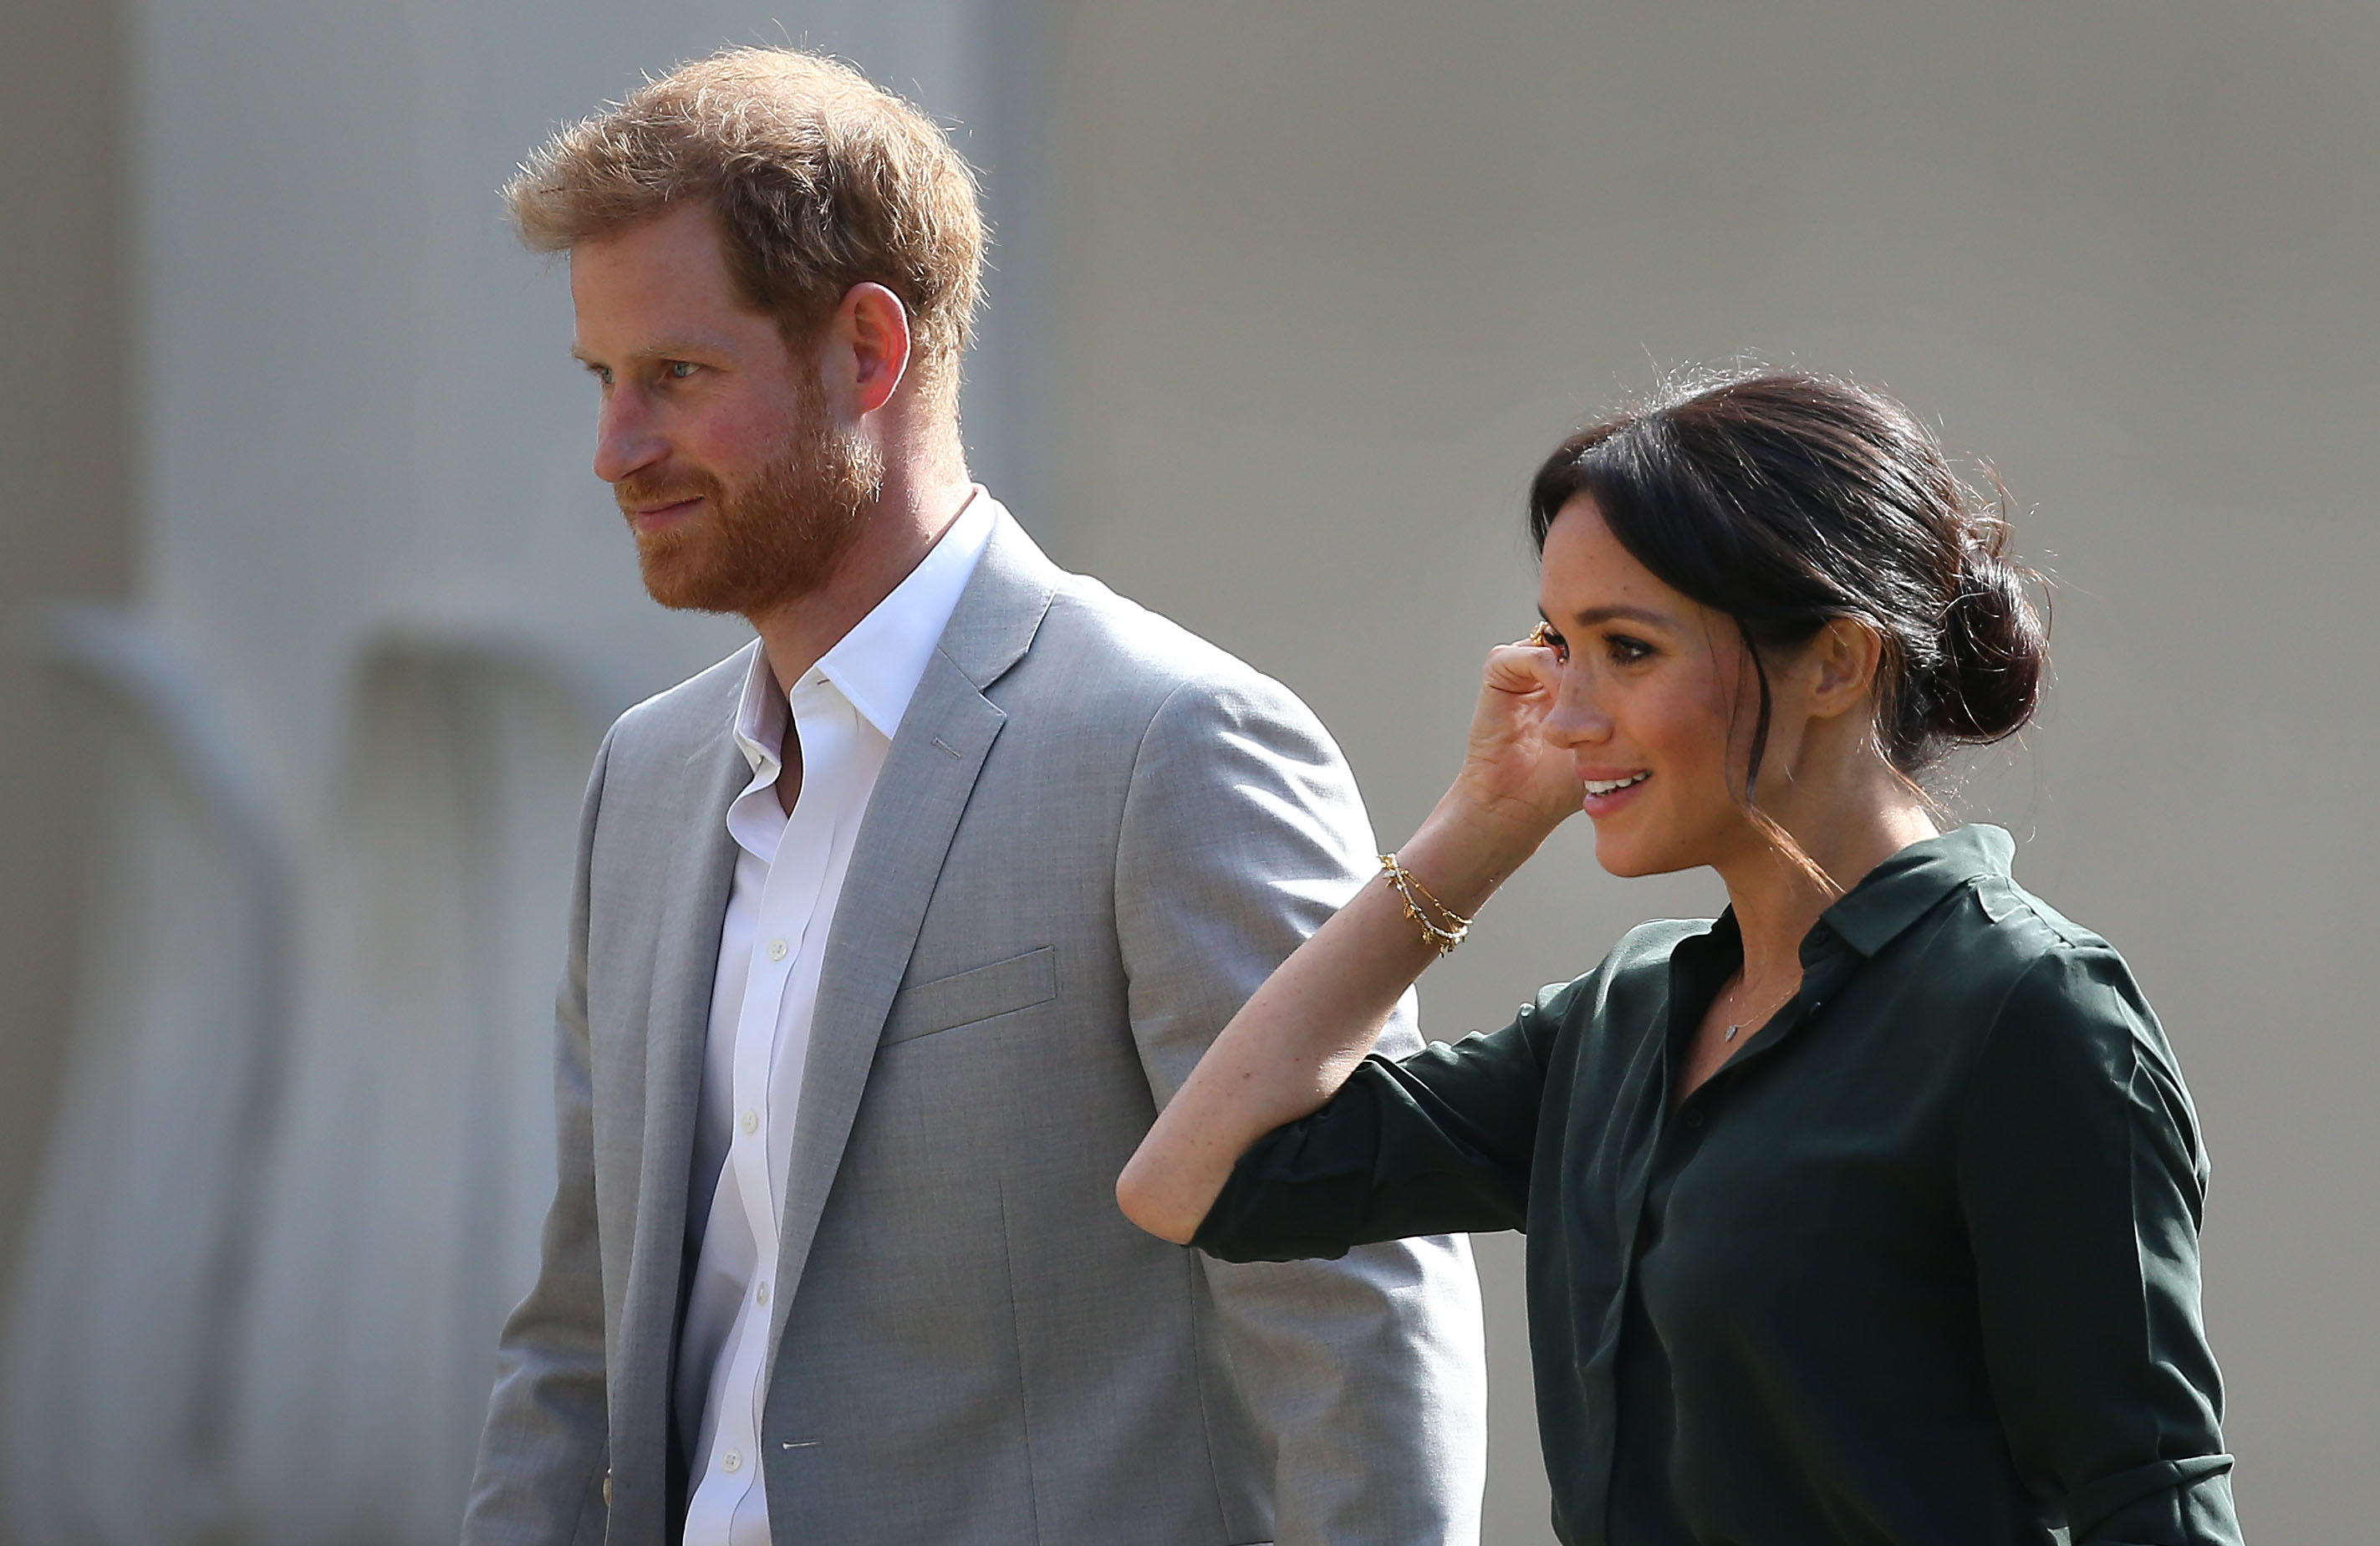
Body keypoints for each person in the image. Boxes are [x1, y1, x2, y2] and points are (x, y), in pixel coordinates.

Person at [461, 46, 1487, 1546]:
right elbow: (574, 1339)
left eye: (676, 375)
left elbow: (1353, 1320)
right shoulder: (647, 781)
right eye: (602, 380)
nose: (616, 447)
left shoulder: (1173, 747)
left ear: (867, 352)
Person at [1119, 370, 2244, 1545]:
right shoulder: (1622, 1021)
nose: (1565, 714)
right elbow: (1190, 1183)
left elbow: (2150, 1502)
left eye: (1628, 648)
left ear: (1836, 663)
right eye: (1560, 645)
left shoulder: (2029, 1011)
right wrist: (1475, 831)